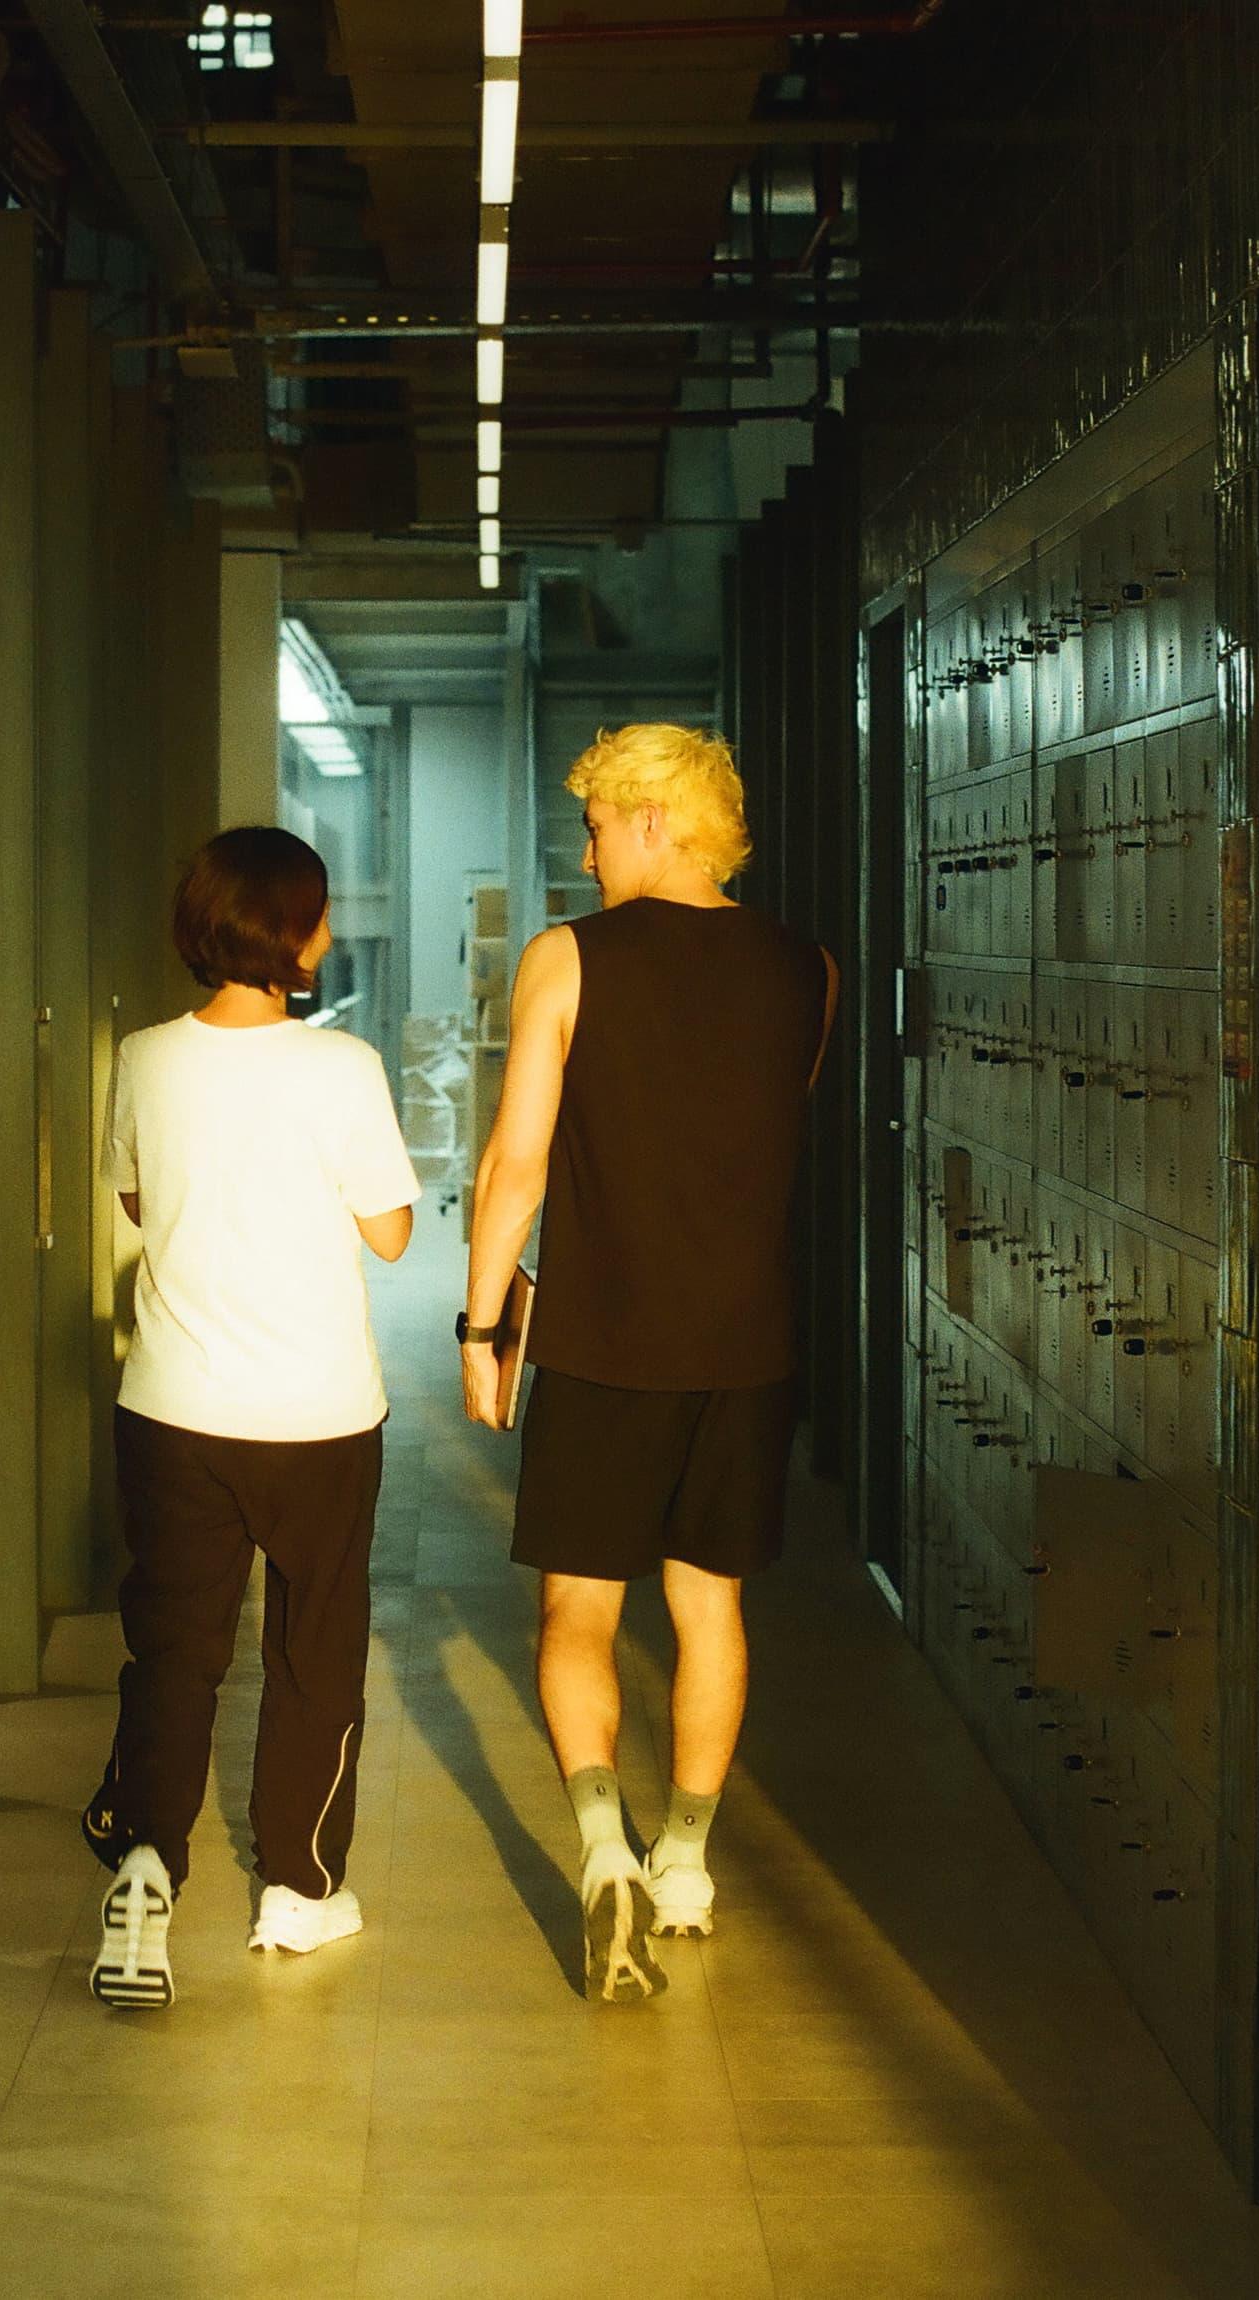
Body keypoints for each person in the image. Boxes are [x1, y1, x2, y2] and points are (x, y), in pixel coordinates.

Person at [459, 724, 837, 2004]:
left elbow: (515, 1163)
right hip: (746, 1347)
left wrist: (479, 1320)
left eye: (599, 824)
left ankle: (600, 1846)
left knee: (577, 1615)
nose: (587, 848)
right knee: (711, 1609)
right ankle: (684, 1859)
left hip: (604, 1343)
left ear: (655, 824)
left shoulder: (568, 958)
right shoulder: (810, 972)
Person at [82, 825, 420, 2010]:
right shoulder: (343, 1069)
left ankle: (141, 1868)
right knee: (312, 1653)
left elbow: (134, 1195)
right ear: (291, 930)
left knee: (175, 1651)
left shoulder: (143, 1056)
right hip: (318, 1415)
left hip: (171, 1407)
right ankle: (298, 1888)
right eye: (317, 914)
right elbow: (390, 1230)